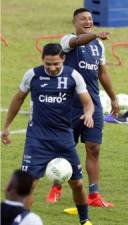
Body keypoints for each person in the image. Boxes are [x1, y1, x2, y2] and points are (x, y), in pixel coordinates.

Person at [1, 43, 95, 225]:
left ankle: (85, 221)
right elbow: (18, 99)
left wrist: (89, 113)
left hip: (64, 139)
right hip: (37, 140)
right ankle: (22, 220)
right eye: (48, 64)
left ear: (63, 59)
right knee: (30, 185)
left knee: (77, 183)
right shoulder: (33, 75)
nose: (52, 68)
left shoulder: (73, 76)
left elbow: (88, 102)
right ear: (42, 60)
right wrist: (6, 126)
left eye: (56, 64)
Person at [47, 7, 119, 207]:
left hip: (93, 104)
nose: (87, 22)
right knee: (65, 147)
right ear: (74, 23)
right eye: (83, 20)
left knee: (94, 148)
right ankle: (56, 185)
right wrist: (94, 35)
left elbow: (102, 73)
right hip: (70, 105)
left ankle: (94, 195)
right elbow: (77, 41)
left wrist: (113, 98)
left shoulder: (98, 46)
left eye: (90, 19)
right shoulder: (66, 41)